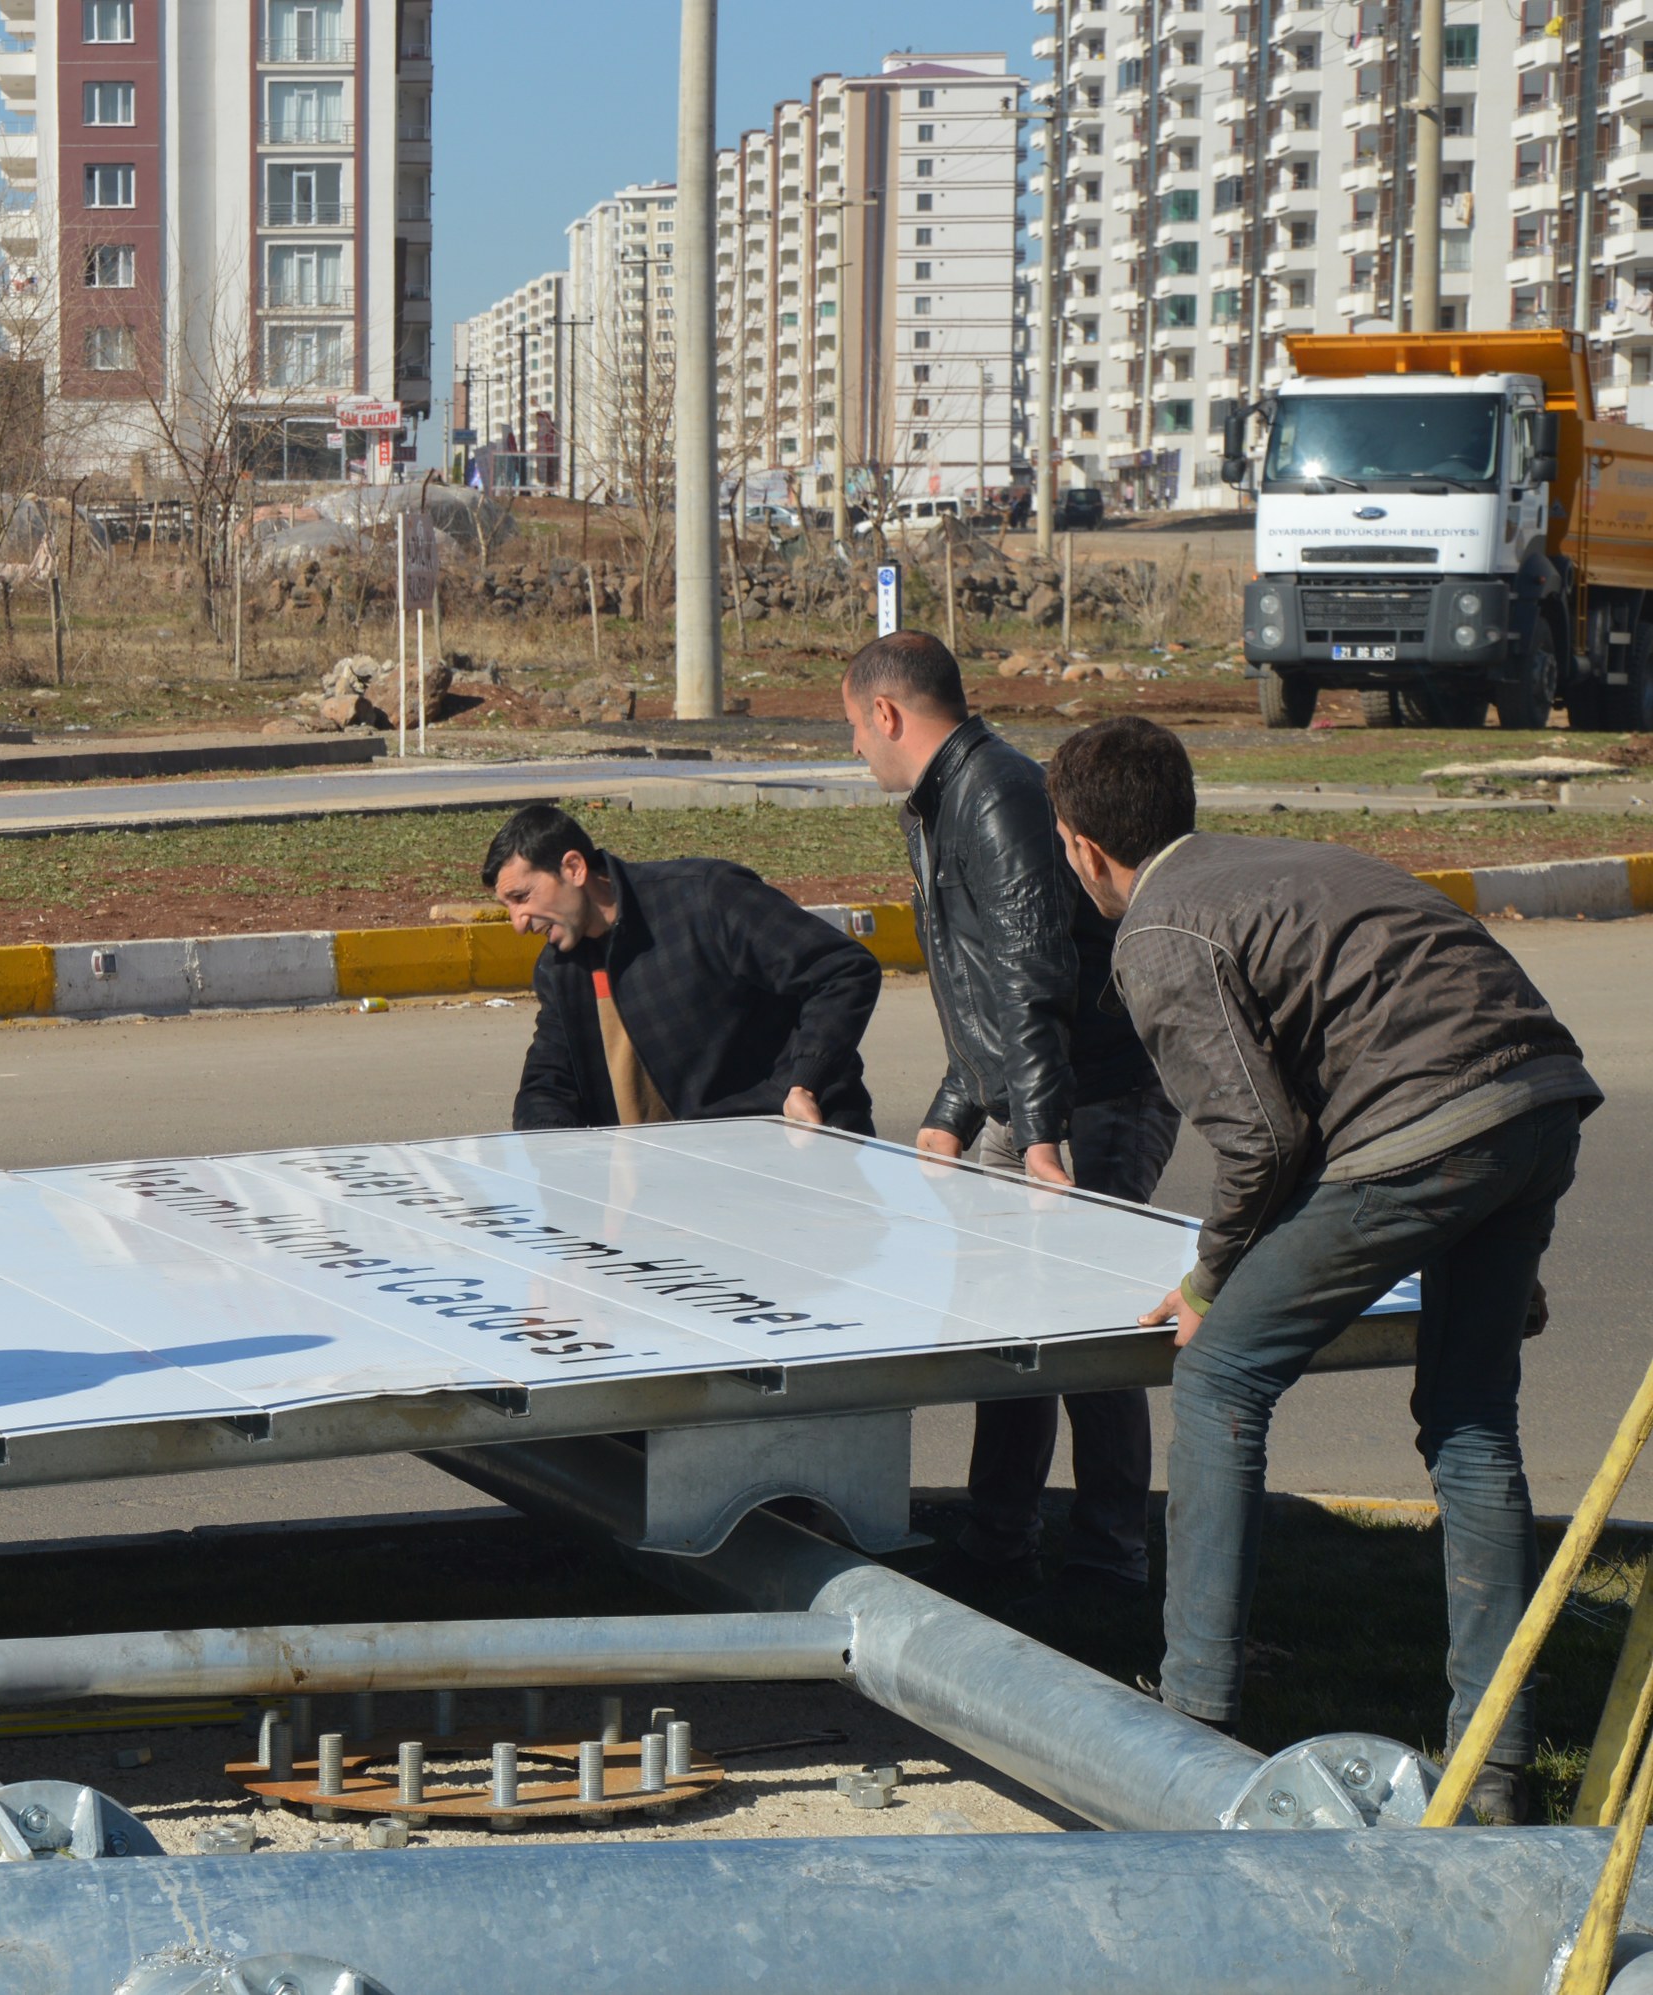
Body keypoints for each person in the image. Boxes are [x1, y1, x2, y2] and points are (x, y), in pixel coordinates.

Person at [1048, 715, 1597, 1823]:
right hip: (1536, 1099)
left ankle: (1194, 1718)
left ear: (1082, 849)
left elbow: (1260, 1138)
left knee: (1219, 1379)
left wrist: (1209, 1287)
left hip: (1430, 1128)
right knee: (1471, 1415)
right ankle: (1494, 1765)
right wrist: (1486, 1214)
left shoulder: (1156, 929)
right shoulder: (1276, 864)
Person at [840, 632, 1177, 1603]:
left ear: (890, 716)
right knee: (1009, 1330)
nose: (855, 747)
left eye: (855, 728)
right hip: (1031, 1090)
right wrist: (952, 1112)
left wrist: (1036, 1135)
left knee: (1087, 1329)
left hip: (1094, 1093)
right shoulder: (938, 801)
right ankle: (999, 1539)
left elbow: (1037, 971)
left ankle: (1111, 1556)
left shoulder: (995, 795)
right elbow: (980, 990)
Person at [487, 803, 880, 1134]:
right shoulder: (559, 969)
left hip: (792, 1148)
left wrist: (806, 1085)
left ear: (573, 868)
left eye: (522, 897)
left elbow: (841, 971)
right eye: (508, 907)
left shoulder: (705, 897)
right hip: (678, 1181)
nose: (519, 922)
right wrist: (553, 1152)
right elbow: (549, 1083)